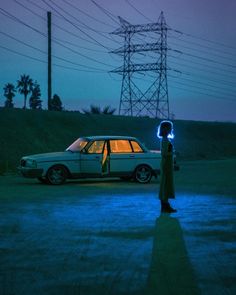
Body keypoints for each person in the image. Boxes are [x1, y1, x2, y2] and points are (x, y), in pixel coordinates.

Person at [157, 120, 177, 213]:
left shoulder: (165, 139)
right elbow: (165, 153)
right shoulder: (165, 140)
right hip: (166, 164)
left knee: (166, 184)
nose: (171, 129)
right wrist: (173, 152)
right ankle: (165, 205)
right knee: (165, 184)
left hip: (167, 163)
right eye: (169, 128)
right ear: (166, 129)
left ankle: (165, 205)